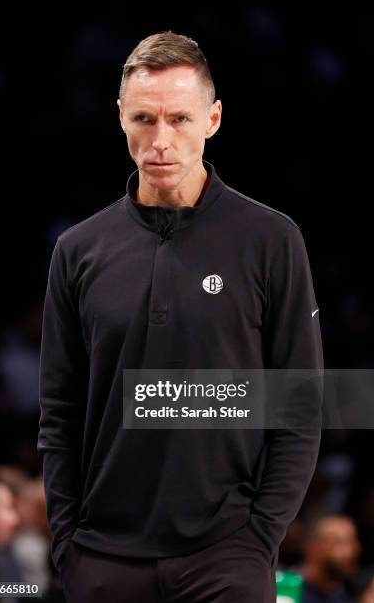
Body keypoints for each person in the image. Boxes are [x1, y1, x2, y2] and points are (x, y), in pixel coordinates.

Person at [38, 31, 324, 602]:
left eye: (180, 120)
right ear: (120, 117)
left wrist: (260, 534)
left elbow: (301, 400)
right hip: (101, 559)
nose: (160, 140)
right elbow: (59, 412)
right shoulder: (78, 250)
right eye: (144, 118)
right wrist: (69, 543)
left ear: (213, 119)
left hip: (226, 556)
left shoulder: (271, 239)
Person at [301, 516, 361, 603]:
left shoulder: (344, 599)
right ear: (314, 548)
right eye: (341, 542)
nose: (353, 550)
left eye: (353, 542)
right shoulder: (287, 592)